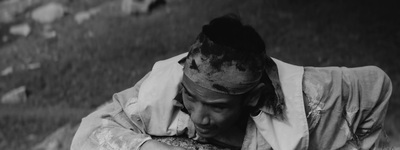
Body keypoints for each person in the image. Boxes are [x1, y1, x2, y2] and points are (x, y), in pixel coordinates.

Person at [71, 14, 392, 150]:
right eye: (191, 98)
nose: (198, 116)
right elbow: (93, 130)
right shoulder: (165, 84)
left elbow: (377, 86)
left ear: (252, 100)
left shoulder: (311, 97)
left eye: (217, 106)